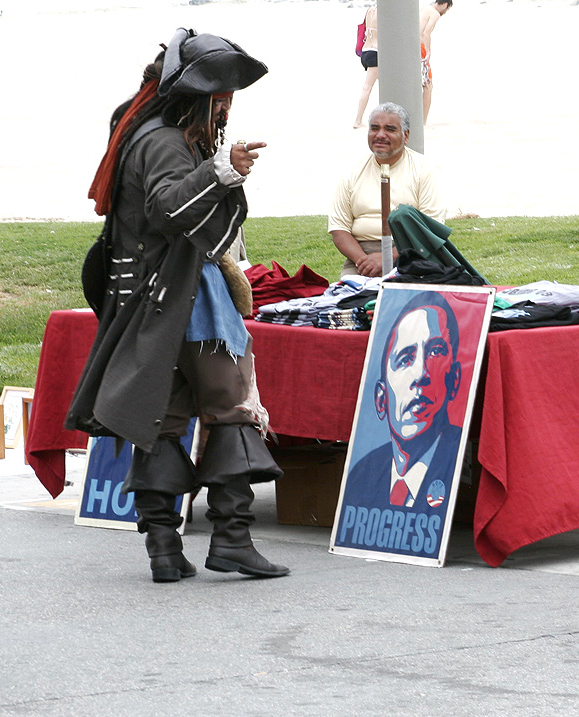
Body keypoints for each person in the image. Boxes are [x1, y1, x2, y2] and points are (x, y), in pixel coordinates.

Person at [66, 28, 289, 584]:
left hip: (156, 303)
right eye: (222, 99)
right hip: (185, 299)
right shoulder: (163, 142)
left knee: (164, 423)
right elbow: (169, 209)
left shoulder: (149, 135)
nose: (227, 109)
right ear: (200, 98)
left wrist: (218, 170)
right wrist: (223, 171)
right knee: (231, 410)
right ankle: (232, 541)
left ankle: (165, 550)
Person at [342, 291, 462, 514]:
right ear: (381, 398)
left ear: (455, 380)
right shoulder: (361, 475)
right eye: (405, 358)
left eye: (435, 352)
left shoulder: (460, 464)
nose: (420, 374)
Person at [328, 102, 444, 279]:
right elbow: (338, 228)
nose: (380, 135)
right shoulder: (352, 170)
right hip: (361, 257)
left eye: (390, 129)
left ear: (405, 136)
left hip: (411, 253)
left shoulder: (424, 170)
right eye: (374, 128)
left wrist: (387, 258)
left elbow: (430, 228)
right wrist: (365, 262)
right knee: (349, 301)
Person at [420, 0, 453, 125]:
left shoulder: (423, 9)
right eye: (447, 9)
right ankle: (423, 121)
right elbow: (426, 33)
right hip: (420, 48)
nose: (445, 12)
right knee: (428, 86)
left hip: (409, 47)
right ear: (445, 5)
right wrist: (428, 52)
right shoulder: (434, 13)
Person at [353, 4, 378, 129]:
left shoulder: (370, 10)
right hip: (376, 52)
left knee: (368, 87)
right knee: (367, 88)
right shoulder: (383, 13)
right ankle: (358, 120)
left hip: (366, 51)